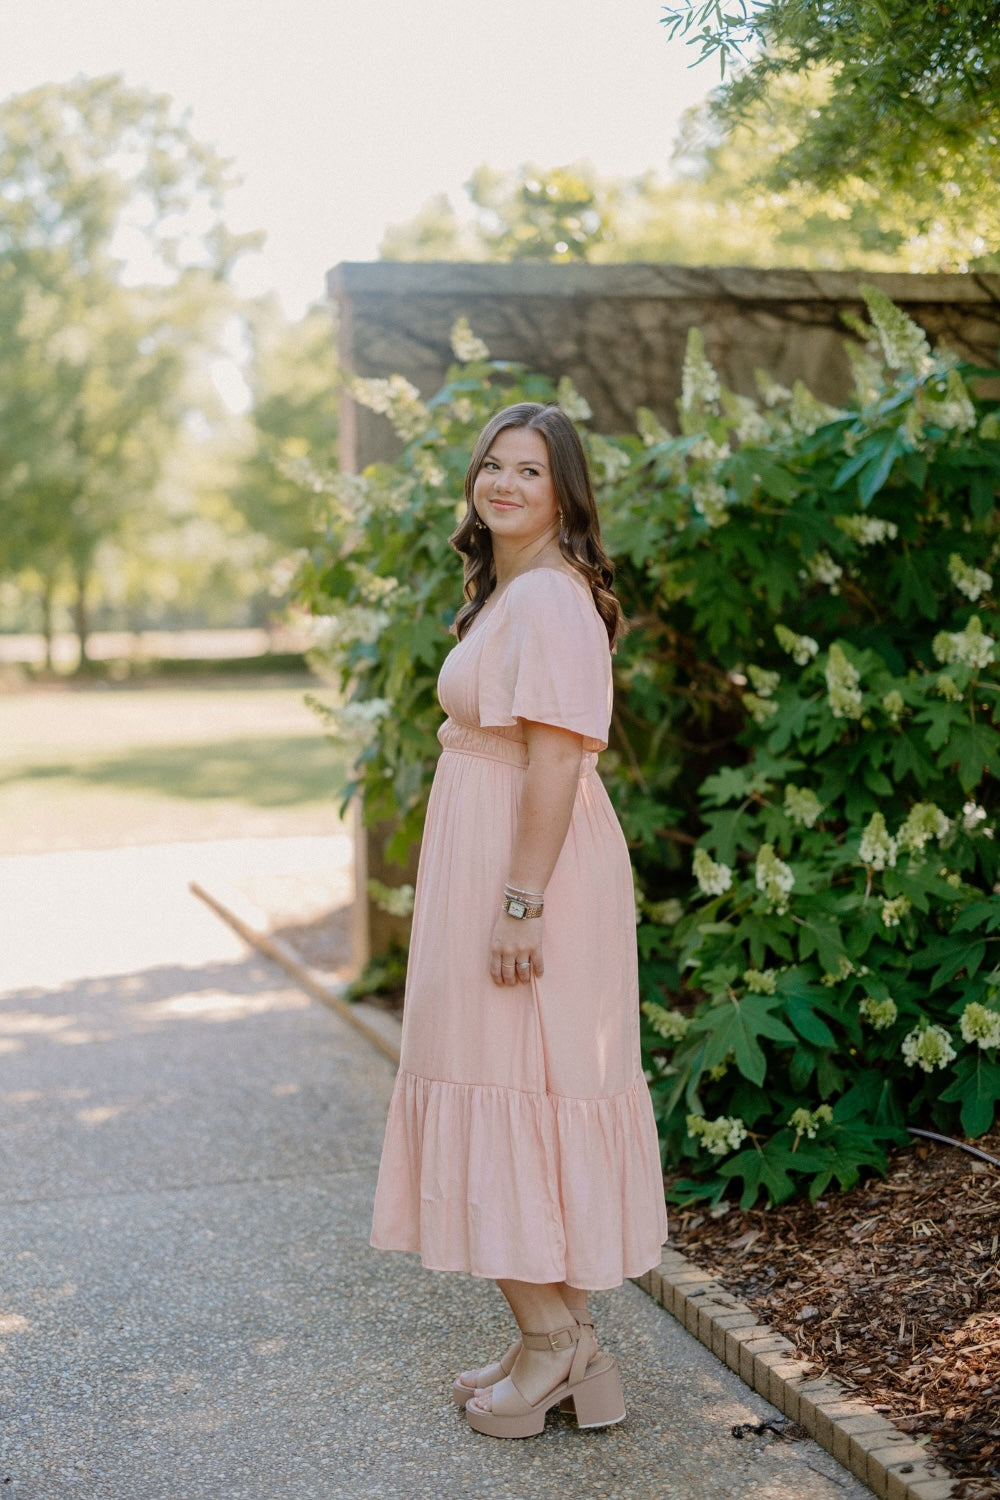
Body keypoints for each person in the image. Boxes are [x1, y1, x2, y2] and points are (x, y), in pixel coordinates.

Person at [370, 401, 668, 1439]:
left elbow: (553, 760)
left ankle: (555, 1345)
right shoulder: (519, 593)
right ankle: (556, 1343)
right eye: (490, 465)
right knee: (516, 1090)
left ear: (563, 493)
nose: (501, 484)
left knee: (503, 1081)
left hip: (525, 871)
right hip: (498, 862)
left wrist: (518, 903)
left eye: (527, 471)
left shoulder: (548, 601)